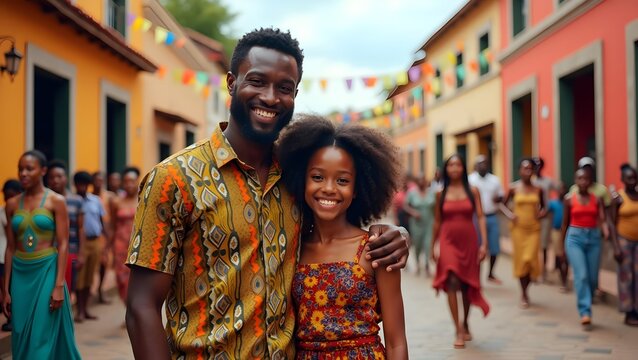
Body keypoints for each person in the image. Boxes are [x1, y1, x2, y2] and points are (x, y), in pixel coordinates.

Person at [125, 28, 409, 359]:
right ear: (232, 83)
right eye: (257, 81)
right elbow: (141, 307)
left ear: (295, 95)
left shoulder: (296, 179)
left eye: (284, 88)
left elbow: (337, 227)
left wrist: (395, 233)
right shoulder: (174, 178)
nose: (271, 97)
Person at [276, 114, 407, 359]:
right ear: (301, 181)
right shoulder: (291, 247)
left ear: (358, 188)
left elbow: (396, 341)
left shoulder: (376, 249)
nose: (328, 188)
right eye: (317, 177)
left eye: (342, 180)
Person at [2, 150, 81, 359]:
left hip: (47, 268)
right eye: (20, 169)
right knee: (19, 330)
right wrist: (6, 288)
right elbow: (10, 247)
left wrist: (58, 285)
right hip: (20, 273)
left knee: (41, 333)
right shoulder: (11, 205)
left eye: (29, 168)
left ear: (42, 170)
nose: (23, 174)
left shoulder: (56, 201)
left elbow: (63, 244)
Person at [432, 154, 489, 349]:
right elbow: (437, 221)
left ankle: (465, 322)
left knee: (466, 285)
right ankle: (457, 328)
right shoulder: (440, 192)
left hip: (469, 241)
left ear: (463, 168)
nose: (454, 168)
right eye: (451, 165)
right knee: (452, 280)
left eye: (458, 165)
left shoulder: (473, 191)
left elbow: (480, 217)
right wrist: (434, 245)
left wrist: (484, 244)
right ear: (446, 169)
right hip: (448, 240)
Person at [561, 168, 609, 329]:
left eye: (586, 179)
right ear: (575, 180)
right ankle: (585, 312)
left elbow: (602, 219)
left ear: (591, 181)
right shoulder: (569, 199)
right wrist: (561, 248)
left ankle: (589, 298)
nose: (583, 182)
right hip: (575, 238)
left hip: (594, 238)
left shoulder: (597, 199)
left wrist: (606, 231)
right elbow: (564, 224)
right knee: (581, 276)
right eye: (580, 179)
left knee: (593, 278)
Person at [500, 158, 545, 309]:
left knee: (530, 260)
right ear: (519, 171)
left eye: (530, 169)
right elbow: (502, 205)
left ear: (533, 171)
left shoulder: (538, 189)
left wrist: (541, 214)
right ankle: (524, 293)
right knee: (522, 262)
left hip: (533, 229)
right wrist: (510, 215)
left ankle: (527, 288)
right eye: (524, 168)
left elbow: (544, 207)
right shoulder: (514, 188)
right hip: (518, 230)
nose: (527, 171)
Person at [47, 160, 85, 298]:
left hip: (71, 251)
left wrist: (81, 253)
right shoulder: (44, 202)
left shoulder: (77, 200)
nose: (55, 180)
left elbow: (81, 228)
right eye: (52, 177)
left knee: (67, 289)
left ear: (66, 178)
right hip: (48, 253)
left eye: (59, 176)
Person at [74, 171, 107, 323]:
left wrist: (106, 243)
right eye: (79, 184)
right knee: (80, 278)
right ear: (75, 185)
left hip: (95, 241)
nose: (82, 187)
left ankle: (86, 309)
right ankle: (79, 310)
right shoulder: (72, 201)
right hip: (81, 243)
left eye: (84, 184)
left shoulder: (95, 200)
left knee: (90, 276)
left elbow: (101, 220)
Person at [469, 155, 505, 284]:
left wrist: (499, 199)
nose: (482, 166)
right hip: (475, 218)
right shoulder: (470, 179)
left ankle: (490, 273)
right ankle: (476, 275)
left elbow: (502, 196)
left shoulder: (495, 180)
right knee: (477, 247)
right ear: (476, 166)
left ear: (488, 165)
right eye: (480, 164)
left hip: (491, 216)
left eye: (484, 163)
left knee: (494, 247)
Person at [610, 164, 638, 326]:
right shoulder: (618, 199)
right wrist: (615, 247)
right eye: (629, 178)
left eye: (635, 177)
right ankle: (629, 312)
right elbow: (612, 223)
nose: (632, 181)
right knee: (626, 276)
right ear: (622, 180)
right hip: (624, 241)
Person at [110, 167, 139, 309]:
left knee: (137, 279)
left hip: (138, 245)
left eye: (132, 181)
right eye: (126, 181)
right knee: (121, 279)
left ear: (137, 181)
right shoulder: (116, 202)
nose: (129, 184)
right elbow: (112, 225)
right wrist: (107, 249)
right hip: (120, 244)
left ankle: (135, 309)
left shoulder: (142, 200)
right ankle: (128, 308)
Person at [403, 174, 436, 276]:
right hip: (416, 224)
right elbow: (405, 206)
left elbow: (436, 207)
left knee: (427, 244)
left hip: (429, 223)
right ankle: (417, 263)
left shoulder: (432, 193)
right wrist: (413, 212)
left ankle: (426, 265)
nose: (422, 182)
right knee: (417, 245)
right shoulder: (412, 193)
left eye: (423, 180)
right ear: (417, 182)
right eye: (419, 180)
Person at [0, 179, 22, 332]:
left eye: (11, 196)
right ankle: (10, 317)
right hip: (3, 253)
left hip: (13, 254)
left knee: (13, 288)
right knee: (5, 289)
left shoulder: (20, 212)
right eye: (6, 196)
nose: (9, 200)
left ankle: (15, 317)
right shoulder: (3, 211)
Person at [92, 171, 114, 304]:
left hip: (105, 235)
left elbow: (112, 217)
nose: (98, 183)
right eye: (96, 180)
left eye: (101, 180)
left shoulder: (109, 197)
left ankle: (100, 289)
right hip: (93, 235)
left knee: (104, 264)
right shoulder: (89, 197)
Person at [533, 157, 555, 281]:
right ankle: (534, 270)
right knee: (534, 244)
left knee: (544, 245)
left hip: (545, 216)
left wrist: (547, 209)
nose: (537, 168)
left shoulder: (548, 181)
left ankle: (544, 270)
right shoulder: (530, 181)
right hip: (532, 217)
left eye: (539, 165)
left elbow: (559, 190)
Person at [547, 182, 569, 292]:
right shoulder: (553, 203)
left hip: (568, 231)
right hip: (556, 232)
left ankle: (565, 277)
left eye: (564, 189)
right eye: (560, 189)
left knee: (566, 257)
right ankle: (563, 280)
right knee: (560, 256)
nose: (562, 191)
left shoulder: (568, 202)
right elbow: (544, 212)